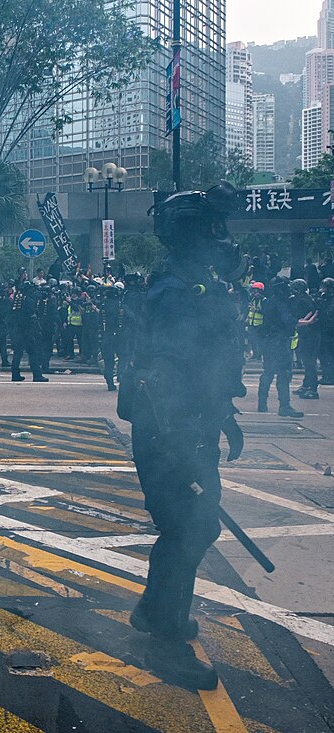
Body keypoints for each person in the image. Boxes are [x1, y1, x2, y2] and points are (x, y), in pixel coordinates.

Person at [118, 182, 247, 690]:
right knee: (188, 529)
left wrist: (225, 415)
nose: (223, 238)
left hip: (193, 427)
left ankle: (154, 612)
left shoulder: (197, 282)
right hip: (171, 434)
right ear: (195, 235)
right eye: (214, 228)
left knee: (195, 528)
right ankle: (166, 643)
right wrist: (182, 445)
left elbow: (209, 365)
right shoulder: (174, 291)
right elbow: (168, 372)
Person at [256, 278, 304, 417]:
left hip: (270, 341)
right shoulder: (280, 302)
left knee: (268, 372)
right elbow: (287, 319)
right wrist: (302, 322)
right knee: (283, 373)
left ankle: (262, 403)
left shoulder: (271, 300)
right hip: (278, 341)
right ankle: (284, 406)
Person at [9, 281, 46, 382]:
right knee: (33, 352)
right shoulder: (28, 300)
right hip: (27, 330)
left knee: (18, 353)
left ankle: (15, 374)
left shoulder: (18, 298)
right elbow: (33, 314)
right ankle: (37, 375)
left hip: (17, 329)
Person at [290, 279, 320, 400]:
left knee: (309, 362)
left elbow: (309, 313)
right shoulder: (305, 299)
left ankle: (312, 388)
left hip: (310, 335)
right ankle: (307, 384)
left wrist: (304, 322)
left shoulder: (303, 301)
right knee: (307, 360)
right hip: (307, 333)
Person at [100, 282, 123, 390]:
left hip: (105, 335)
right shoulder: (118, 305)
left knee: (108, 360)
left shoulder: (103, 305)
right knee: (122, 357)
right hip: (117, 335)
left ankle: (109, 379)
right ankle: (119, 377)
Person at [319, 278, 334, 385]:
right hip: (324, 331)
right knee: (323, 354)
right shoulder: (325, 298)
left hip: (330, 332)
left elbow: (329, 314)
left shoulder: (331, 300)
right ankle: (326, 375)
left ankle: (329, 376)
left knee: (328, 355)